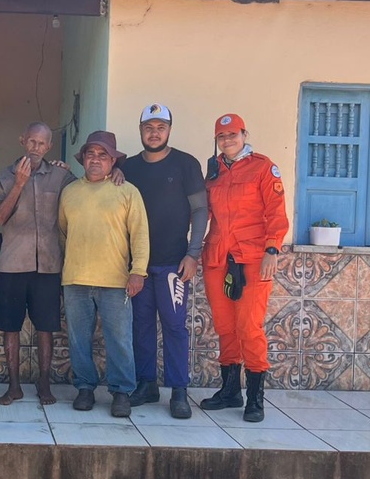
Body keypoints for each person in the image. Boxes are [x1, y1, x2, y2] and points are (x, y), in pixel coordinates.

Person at [199, 113, 290, 422]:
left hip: (252, 259)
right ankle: (230, 391)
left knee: (248, 327)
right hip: (217, 258)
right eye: (222, 137)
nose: (227, 141)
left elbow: (276, 213)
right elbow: (201, 212)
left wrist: (272, 249)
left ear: (244, 134)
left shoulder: (263, 167)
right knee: (225, 326)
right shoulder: (213, 172)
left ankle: (255, 397)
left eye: (233, 134)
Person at [121, 103, 208, 419]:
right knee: (140, 325)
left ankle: (179, 391)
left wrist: (193, 253)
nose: (154, 132)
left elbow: (200, 210)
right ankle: (146, 385)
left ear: (169, 129)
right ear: (140, 130)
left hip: (174, 264)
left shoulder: (186, 164)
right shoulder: (128, 168)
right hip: (138, 267)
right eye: (148, 127)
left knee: (174, 326)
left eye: (160, 127)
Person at [57, 131, 149, 418]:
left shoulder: (127, 191)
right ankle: (85, 388)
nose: (96, 159)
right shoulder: (70, 192)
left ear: (113, 161)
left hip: (115, 281)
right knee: (78, 337)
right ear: (83, 158)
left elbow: (140, 235)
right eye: (91, 154)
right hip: (76, 280)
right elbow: (63, 232)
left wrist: (138, 272)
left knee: (119, 338)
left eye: (103, 155)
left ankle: (121, 392)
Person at [0, 122, 73, 406]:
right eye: (31, 142)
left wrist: (117, 170)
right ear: (23, 140)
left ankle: (44, 383)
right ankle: (13, 386)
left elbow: (88, 189)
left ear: (49, 147)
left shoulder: (61, 176)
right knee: (10, 326)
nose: (36, 148)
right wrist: (20, 184)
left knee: (45, 327)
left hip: (48, 265)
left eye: (42, 143)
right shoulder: (5, 176)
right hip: (13, 263)